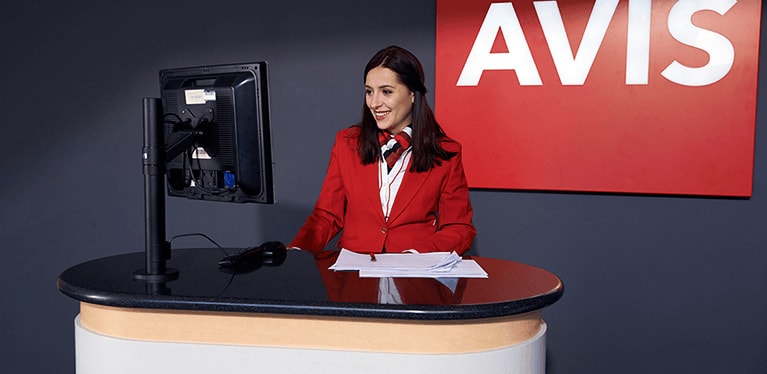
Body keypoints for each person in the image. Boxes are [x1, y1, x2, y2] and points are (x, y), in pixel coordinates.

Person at [290, 45, 476, 255]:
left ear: (412, 94)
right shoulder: (347, 143)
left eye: (386, 92)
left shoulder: (446, 153)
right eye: (369, 92)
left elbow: (459, 228)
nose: (375, 103)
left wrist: (416, 256)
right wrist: (296, 252)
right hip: (355, 275)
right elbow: (326, 216)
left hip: (416, 276)